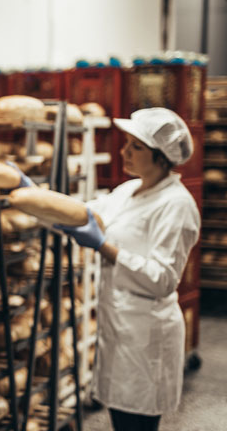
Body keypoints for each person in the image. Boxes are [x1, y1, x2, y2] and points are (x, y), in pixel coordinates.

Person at [13, 108, 200, 431]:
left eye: (135, 147)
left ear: (161, 158)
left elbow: (163, 280)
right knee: (121, 418)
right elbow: (81, 216)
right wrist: (34, 196)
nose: (123, 151)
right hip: (121, 329)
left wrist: (104, 247)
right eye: (126, 143)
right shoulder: (129, 191)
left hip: (148, 335)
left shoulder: (176, 205)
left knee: (137, 424)